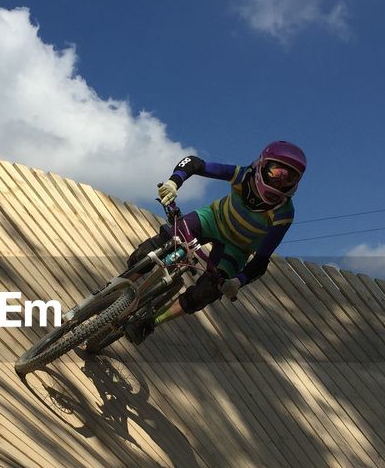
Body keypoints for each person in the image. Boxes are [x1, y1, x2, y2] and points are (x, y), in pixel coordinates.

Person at [122, 140, 306, 344]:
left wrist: (238, 281)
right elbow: (194, 162)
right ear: (261, 164)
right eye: (276, 173)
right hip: (212, 220)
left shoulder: (284, 214)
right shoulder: (243, 174)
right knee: (154, 247)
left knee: (208, 291)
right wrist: (173, 182)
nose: (280, 182)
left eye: (289, 178)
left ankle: (151, 323)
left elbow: (262, 259)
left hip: (237, 248)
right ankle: (120, 285)